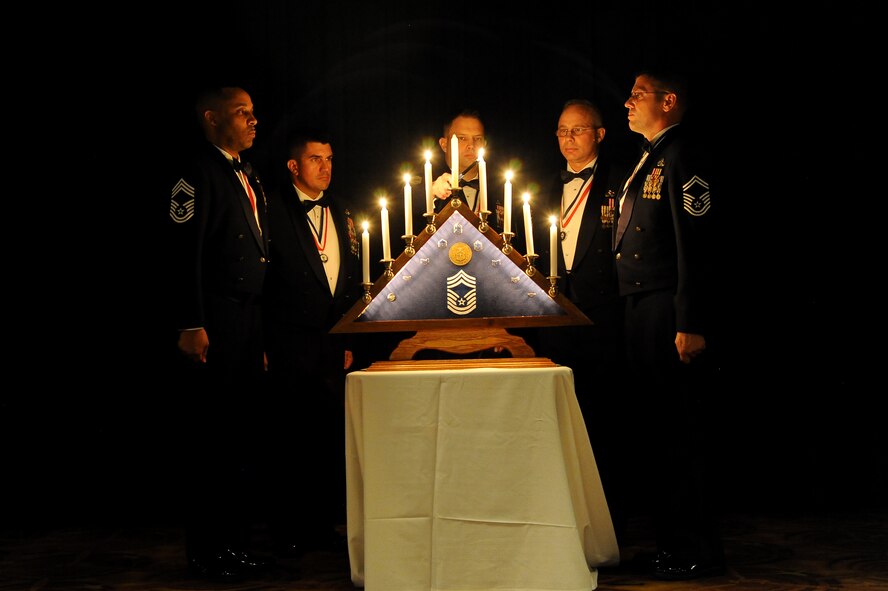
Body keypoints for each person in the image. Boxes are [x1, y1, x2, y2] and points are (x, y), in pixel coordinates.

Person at [613, 68, 724, 580]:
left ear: (670, 99)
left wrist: (690, 319)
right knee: (657, 431)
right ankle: (670, 545)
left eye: (639, 95)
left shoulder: (683, 153)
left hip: (667, 307)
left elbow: (694, 244)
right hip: (640, 305)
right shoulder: (650, 154)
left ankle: (697, 548)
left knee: (681, 431)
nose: (629, 103)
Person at [166, 85, 273, 579]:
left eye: (253, 113)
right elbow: (182, 253)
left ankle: (233, 543)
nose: (253, 121)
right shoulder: (197, 172)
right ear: (211, 118)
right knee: (213, 440)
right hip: (216, 319)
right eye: (241, 113)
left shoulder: (245, 172)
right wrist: (191, 322)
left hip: (247, 322)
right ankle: (208, 551)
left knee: (240, 437)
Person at [261, 128, 362, 556]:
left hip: (332, 341)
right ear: (294, 165)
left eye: (330, 159)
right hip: (288, 338)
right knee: (289, 436)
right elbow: (265, 281)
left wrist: (349, 336)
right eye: (317, 159)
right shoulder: (272, 209)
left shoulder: (342, 210)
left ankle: (322, 525)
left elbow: (352, 278)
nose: (326, 167)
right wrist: (263, 340)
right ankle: (288, 529)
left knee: (326, 436)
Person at [532, 98, 628, 531]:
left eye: (578, 131)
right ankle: (559, 508)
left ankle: (608, 512)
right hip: (553, 317)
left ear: (599, 135)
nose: (568, 139)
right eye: (561, 131)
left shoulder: (620, 180)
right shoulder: (541, 184)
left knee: (604, 413)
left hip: (603, 316)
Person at [429, 108, 504, 232]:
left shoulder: (500, 187)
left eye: (477, 138)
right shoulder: (431, 184)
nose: (471, 145)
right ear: (444, 144)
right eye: (462, 138)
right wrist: (430, 192)